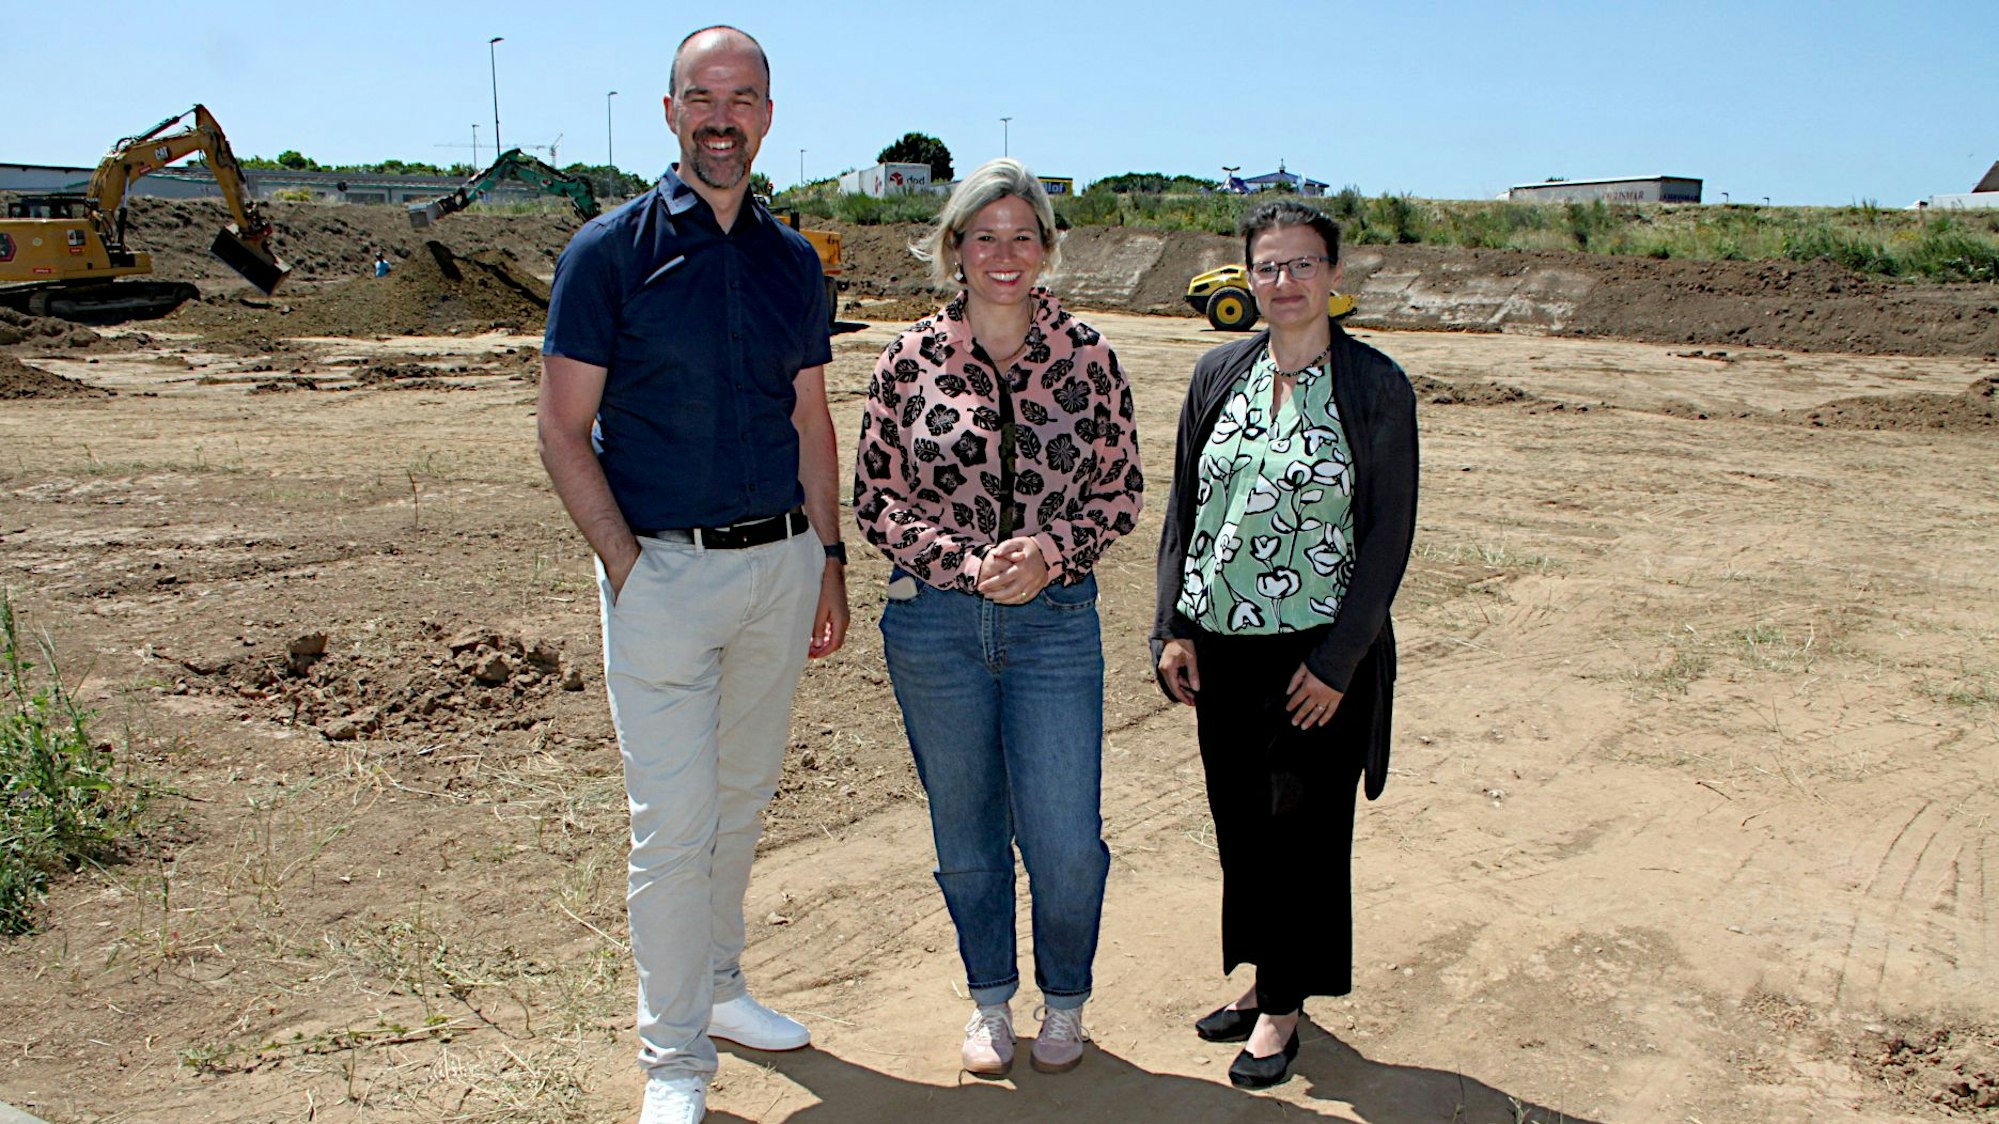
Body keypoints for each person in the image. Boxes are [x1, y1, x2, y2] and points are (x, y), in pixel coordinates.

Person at [536, 26, 849, 1124]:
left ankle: (718, 987)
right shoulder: (607, 252)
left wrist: (830, 558)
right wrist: (626, 566)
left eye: (744, 97)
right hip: (663, 575)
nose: (723, 116)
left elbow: (810, 414)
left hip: (781, 566)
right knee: (672, 825)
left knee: (741, 798)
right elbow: (563, 429)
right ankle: (672, 1060)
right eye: (702, 95)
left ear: (768, 114)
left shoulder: (793, 260)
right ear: (669, 111)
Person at [854, 157, 1143, 1079]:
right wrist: (969, 563)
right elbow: (876, 498)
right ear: (954, 248)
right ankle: (988, 1002)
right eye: (984, 235)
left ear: (1047, 248)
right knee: (966, 830)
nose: (1003, 253)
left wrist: (1048, 554)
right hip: (934, 626)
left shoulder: (1089, 356)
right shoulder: (906, 361)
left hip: (1056, 624)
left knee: (1063, 836)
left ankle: (1065, 1002)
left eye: (1022, 235)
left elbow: (1121, 487)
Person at [1151, 199, 1418, 1090]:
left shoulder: (1373, 385)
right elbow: (1188, 510)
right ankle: (1266, 978)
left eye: (1303, 264)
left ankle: (1280, 1013)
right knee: (1242, 830)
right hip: (1220, 648)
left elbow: (1388, 535)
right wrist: (1173, 626)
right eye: (1267, 266)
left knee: (1300, 830)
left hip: (1315, 657)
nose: (1284, 282)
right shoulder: (1217, 373)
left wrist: (1338, 662)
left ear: (1334, 276)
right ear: (1246, 276)